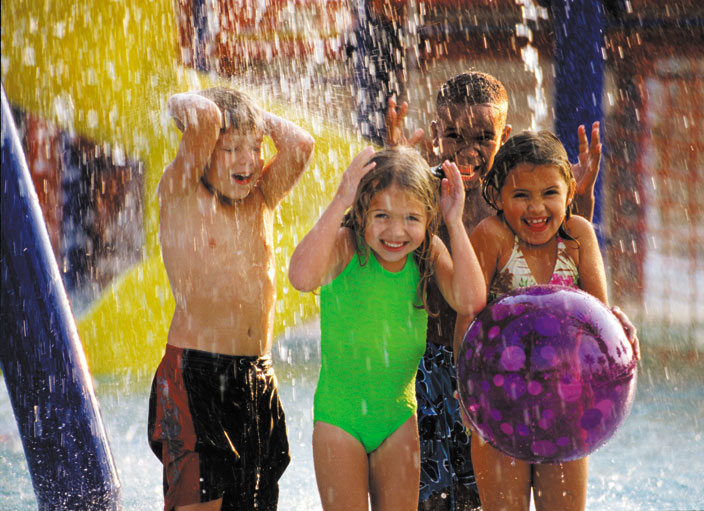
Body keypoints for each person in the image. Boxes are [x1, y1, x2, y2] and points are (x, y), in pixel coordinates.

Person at [385, 71, 607, 510]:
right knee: (429, 494)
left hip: (494, 368)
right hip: (428, 364)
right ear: (434, 135)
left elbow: (562, 246)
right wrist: (397, 168)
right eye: (452, 135)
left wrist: (582, 193)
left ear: (504, 136)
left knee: (480, 494)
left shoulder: (508, 198)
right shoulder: (424, 190)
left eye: (483, 137)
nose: (467, 149)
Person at [288, 146, 487, 511]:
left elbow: (471, 300)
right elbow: (300, 276)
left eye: (411, 218)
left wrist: (454, 221)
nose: (396, 232)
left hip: (397, 419)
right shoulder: (349, 246)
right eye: (382, 215)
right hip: (339, 421)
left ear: (429, 217)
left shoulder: (427, 251)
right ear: (361, 211)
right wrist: (339, 202)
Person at [147, 87, 315, 511]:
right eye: (232, 149)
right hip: (197, 376)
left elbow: (300, 145)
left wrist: (255, 116)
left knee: (255, 501)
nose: (249, 160)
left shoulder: (261, 200)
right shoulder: (182, 191)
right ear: (202, 153)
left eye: (256, 147)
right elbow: (203, 117)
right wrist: (179, 104)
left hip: (257, 375)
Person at [453, 130, 629, 510]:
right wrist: (467, 391)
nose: (536, 209)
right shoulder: (493, 236)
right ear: (499, 197)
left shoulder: (577, 236)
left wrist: (624, 340)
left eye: (549, 193)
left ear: (569, 194)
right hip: (499, 400)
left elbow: (599, 318)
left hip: (568, 404)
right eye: (521, 196)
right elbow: (468, 314)